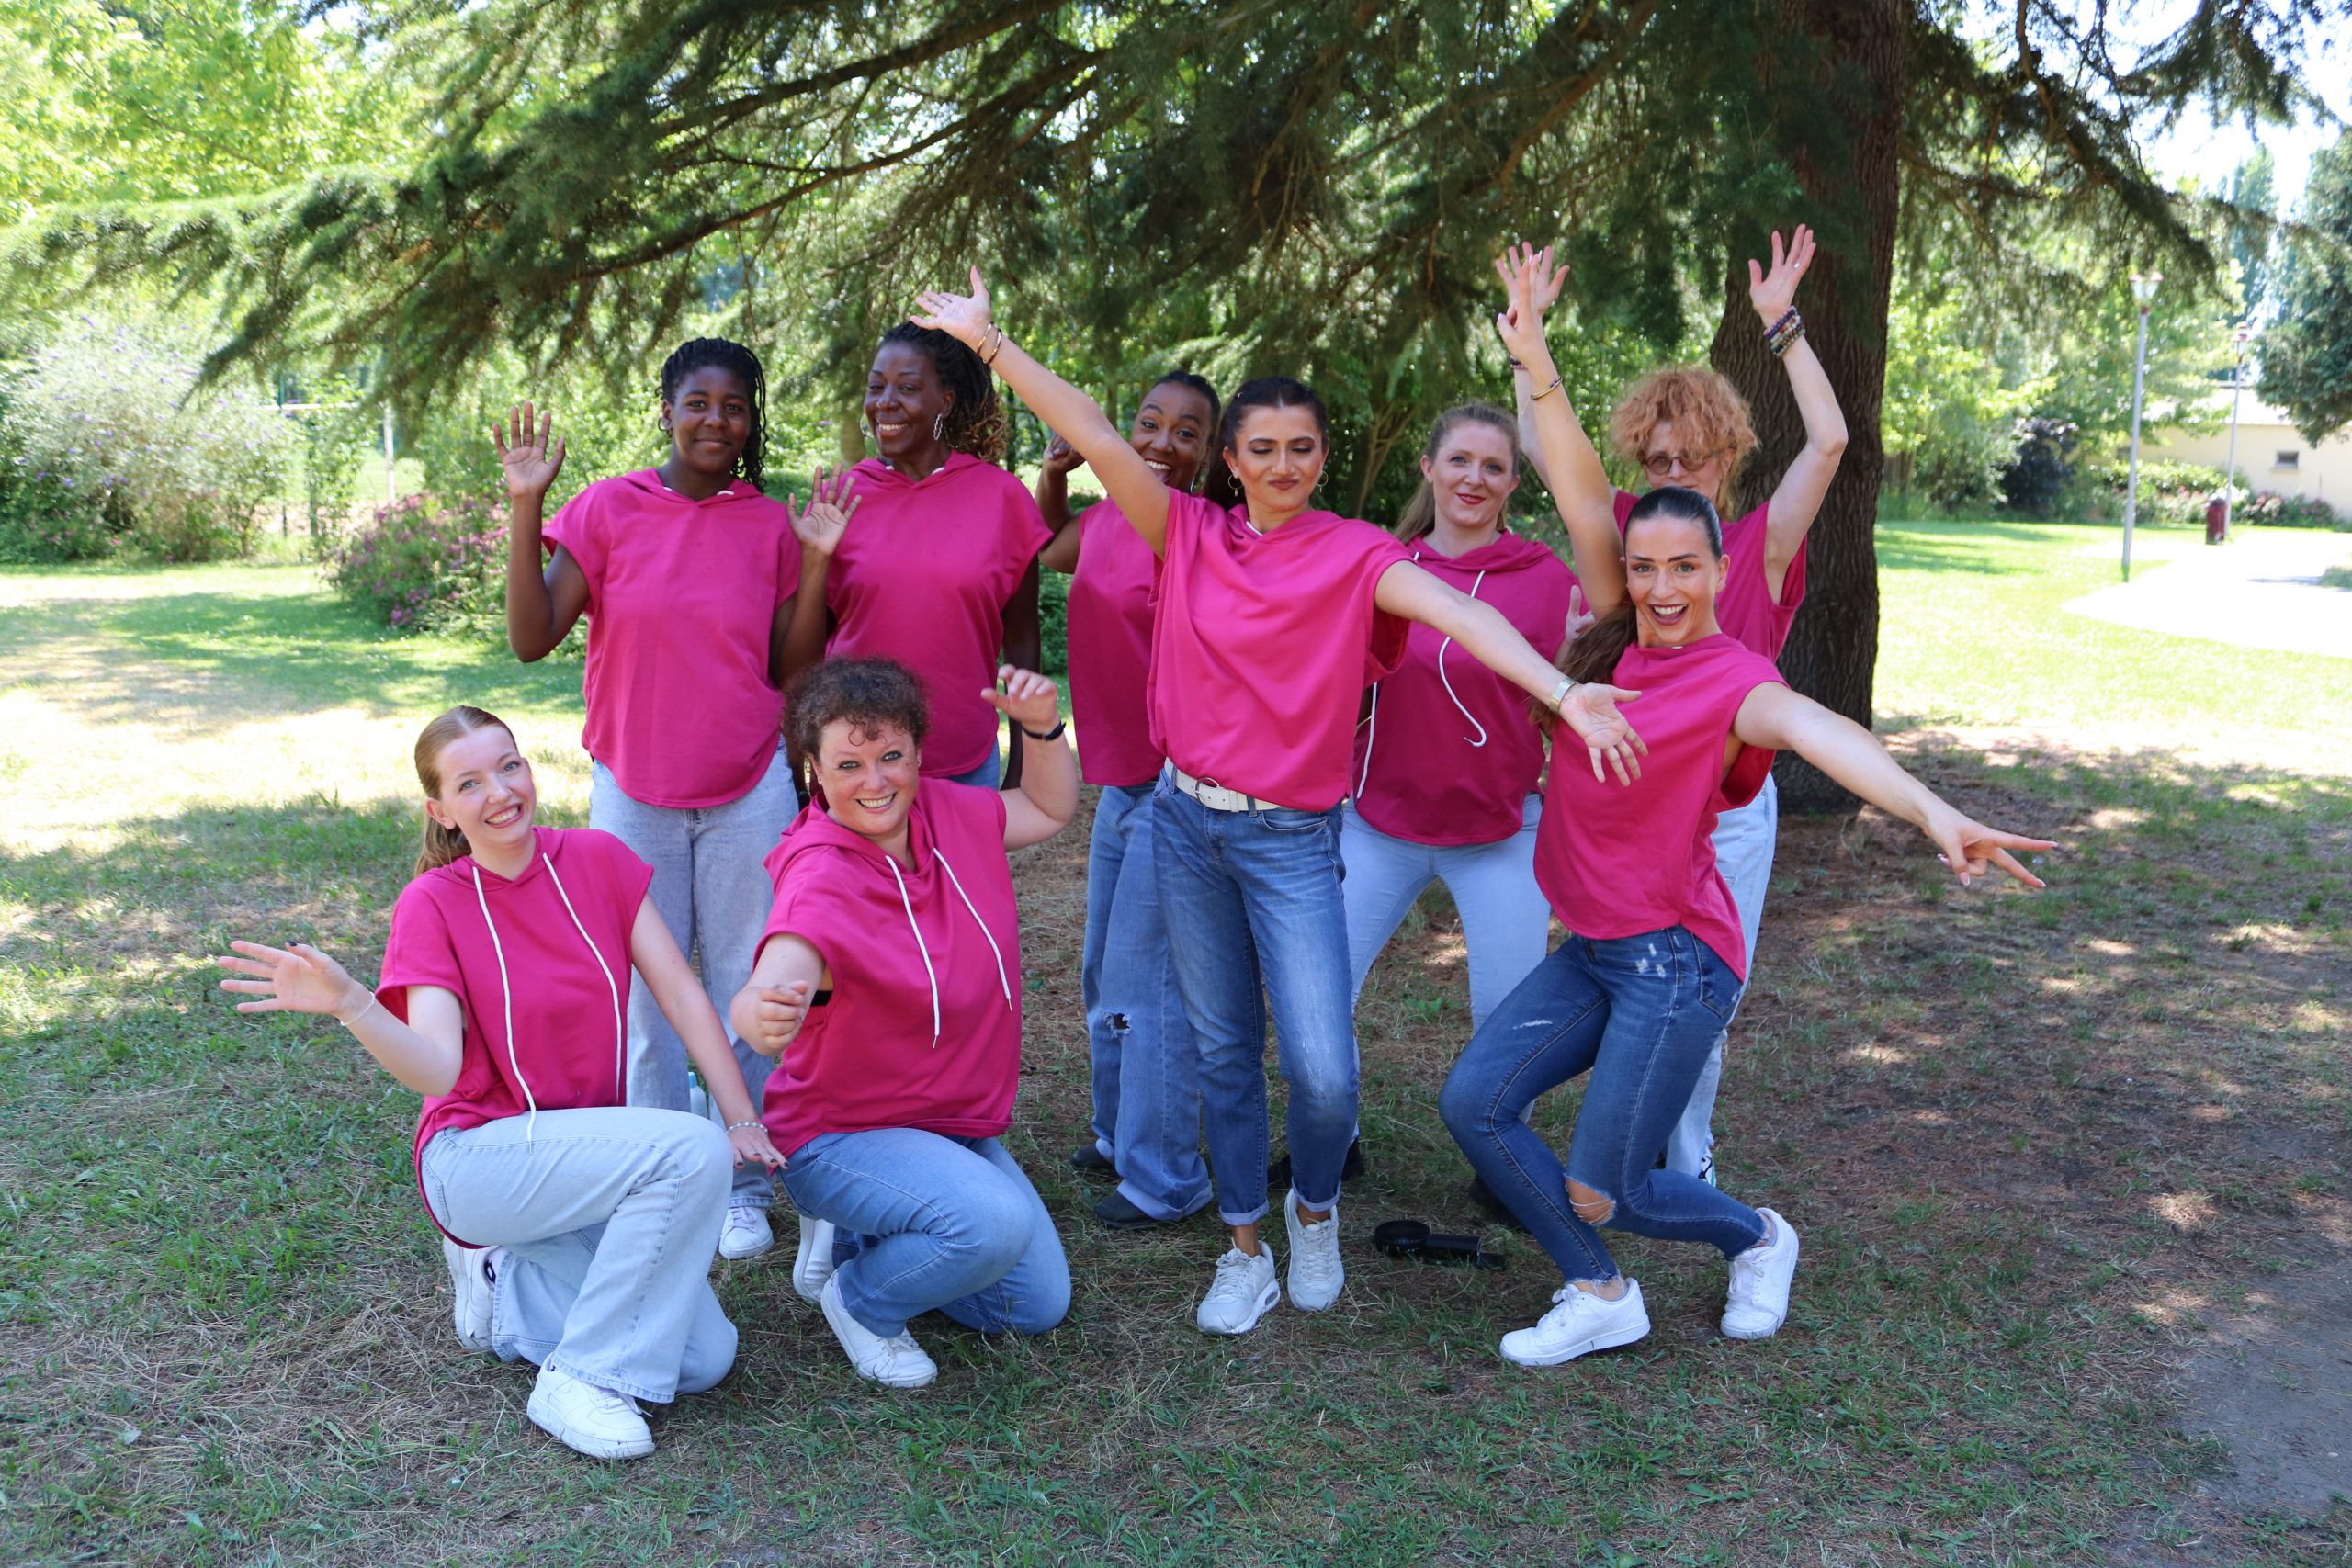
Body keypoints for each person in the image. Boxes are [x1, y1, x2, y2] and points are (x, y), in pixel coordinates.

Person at [910, 267, 1647, 1337]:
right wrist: (990, 344)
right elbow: (1091, 430)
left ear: (1322, 458)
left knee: (1322, 1072)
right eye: (1261, 447)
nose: (1282, 465)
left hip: (1292, 838)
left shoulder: (1355, 553)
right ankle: (1244, 1247)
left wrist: (1564, 692)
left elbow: (1461, 615)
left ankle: (1314, 1210)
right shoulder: (1186, 533)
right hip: (1183, 824)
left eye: (1301, 447)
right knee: (1221, 1052)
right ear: (1230, 459)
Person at [1442, 264, 2054, 1367]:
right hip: (1597, 946)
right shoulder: (1608, 648)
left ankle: (1758, 1236)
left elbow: (1828, 734)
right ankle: (1601, 1293)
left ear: (1722, 568)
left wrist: (1933, 812)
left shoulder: (1738, 681)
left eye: (1685, 567)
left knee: (1609, 1188)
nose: (1662, 586)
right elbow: (1576, 482)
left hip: (1675, 960)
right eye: (1644, 567)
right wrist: (1530, 355)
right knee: (1472, 1106)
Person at [215, 706, 786, 1458]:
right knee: (688, 1148)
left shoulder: (599, 860)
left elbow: (681, 994)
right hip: (478, 1160)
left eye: (509, 766)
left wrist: (741, 1115)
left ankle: (500, 1282)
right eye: (470, 783)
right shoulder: (433, 902)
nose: (500, 791)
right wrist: (353, 1003)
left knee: (705, 1357)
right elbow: (437, 1068)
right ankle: (576, 1380)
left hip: (581, 1163)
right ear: (441, 810)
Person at [1508, 230, 1848, 1185]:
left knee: (1703, 995)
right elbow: (1549, 450)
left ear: (1726, 457)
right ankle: (1624, 1137)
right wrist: (1529, 346)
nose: (1672, 475)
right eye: (1656, 459)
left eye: (1691, 459)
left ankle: (1683, 1158)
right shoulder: (1624, 533)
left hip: (1722, 812)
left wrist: (1782, 324)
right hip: (1618, 805)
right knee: (1612, 977)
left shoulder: (1759, 545)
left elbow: (1829, 442)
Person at [498, 338, 827, 1263]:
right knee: (646, 1001)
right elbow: (530, 636)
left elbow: (793, 668)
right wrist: (526, 504)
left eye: (734, 406)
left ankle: (742, 1183)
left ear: (751, 420)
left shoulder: (770, 525)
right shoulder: (608, 508)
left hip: (747, 786)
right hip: (633, 790)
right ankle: (658, 1180)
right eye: (698, 403)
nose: (716, 420)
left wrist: (817, 563)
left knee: (747, 987)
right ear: (668, 410)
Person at [730, 658, 1079, 1388]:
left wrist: (1043, 728)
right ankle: (861, 1298)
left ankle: (865, 1232)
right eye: (848, 764)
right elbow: (781, 966)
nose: (875, 781)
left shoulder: (948, 813)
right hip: (840, 1135)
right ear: (815, 770)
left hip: (946, 1127)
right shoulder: (820, 871)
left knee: (1034, 1302)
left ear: (918, 749)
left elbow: (1047, 810)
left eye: (891, 755)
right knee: (990, 1223)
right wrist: (761, 1009)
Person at [1033, 374, 1222, 1230]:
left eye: (1187, 431)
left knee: (1146, 988)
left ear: (1212, 452)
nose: (1162, 442)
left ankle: (1166, 1176)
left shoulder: (1199, 533)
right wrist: (1053, 475)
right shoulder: (1107, 519)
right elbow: (1050, 548)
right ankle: (1116, 1133)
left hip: (1177, 783)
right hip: (1119, 781)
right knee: (1101, 972)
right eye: (1149, 422)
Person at [1346, 403, 1583, 1031]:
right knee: (1313, 1002)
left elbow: (1564, 708)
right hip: (1378, 823)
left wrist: (1576, 655)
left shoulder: (1549, 581)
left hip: (1499, 831)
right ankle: (1331, 1103)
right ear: (1429, 468)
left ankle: (1492, 1105)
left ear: (1512, 483)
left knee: (1507, 1029)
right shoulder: (1383, 569)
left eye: (1493, 466)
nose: (1474, 478)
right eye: (1459, 460)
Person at [783, 322, 1050, 790]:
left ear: (944, 402)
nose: (885, 402)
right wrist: (816, 560)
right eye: (876, 387)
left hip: (966, 765)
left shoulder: (1002, 498)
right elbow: (802, 664)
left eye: (906, 388)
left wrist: (1022, 771)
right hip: (857, 767)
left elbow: (1024, 647)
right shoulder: (840, 502)